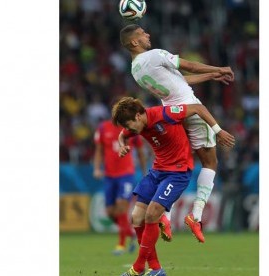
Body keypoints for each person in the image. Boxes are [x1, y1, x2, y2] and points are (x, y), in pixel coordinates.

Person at [120, 24, 235, 243]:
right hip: (189, 109)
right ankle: (196, 216)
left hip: (169, 114)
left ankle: (166, 216)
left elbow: (178, 81)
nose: (148, 34)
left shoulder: (135, 69)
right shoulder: (154, 55)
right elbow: (189, 66)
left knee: (178, 163)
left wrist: (212, 75)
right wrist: (219, 68)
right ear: (135, 42)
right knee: (210, 163)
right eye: (143, 34)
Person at [112, 97, 235, 276]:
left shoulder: (164, 114)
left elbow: (198, 108)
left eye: (130, 125)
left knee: (152, 213)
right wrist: (122, 145)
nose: (129, 130)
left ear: (138, 116)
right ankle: (156, 269)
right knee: (136, 217)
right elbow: (122, 135)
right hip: (157, 171)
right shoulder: (136, 125)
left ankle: (137, 268)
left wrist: (218, 130)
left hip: (178, 172)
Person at [93, 119, 147, 255]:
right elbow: (99, 150)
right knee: (110, 212)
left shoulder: (131, 128)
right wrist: (97, 168)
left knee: (121, 206)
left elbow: (140, 152)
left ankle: (121, 245)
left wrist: (145, 172)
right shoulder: (103, 128)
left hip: (126, 175)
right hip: (109, 175)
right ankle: (131, 232)